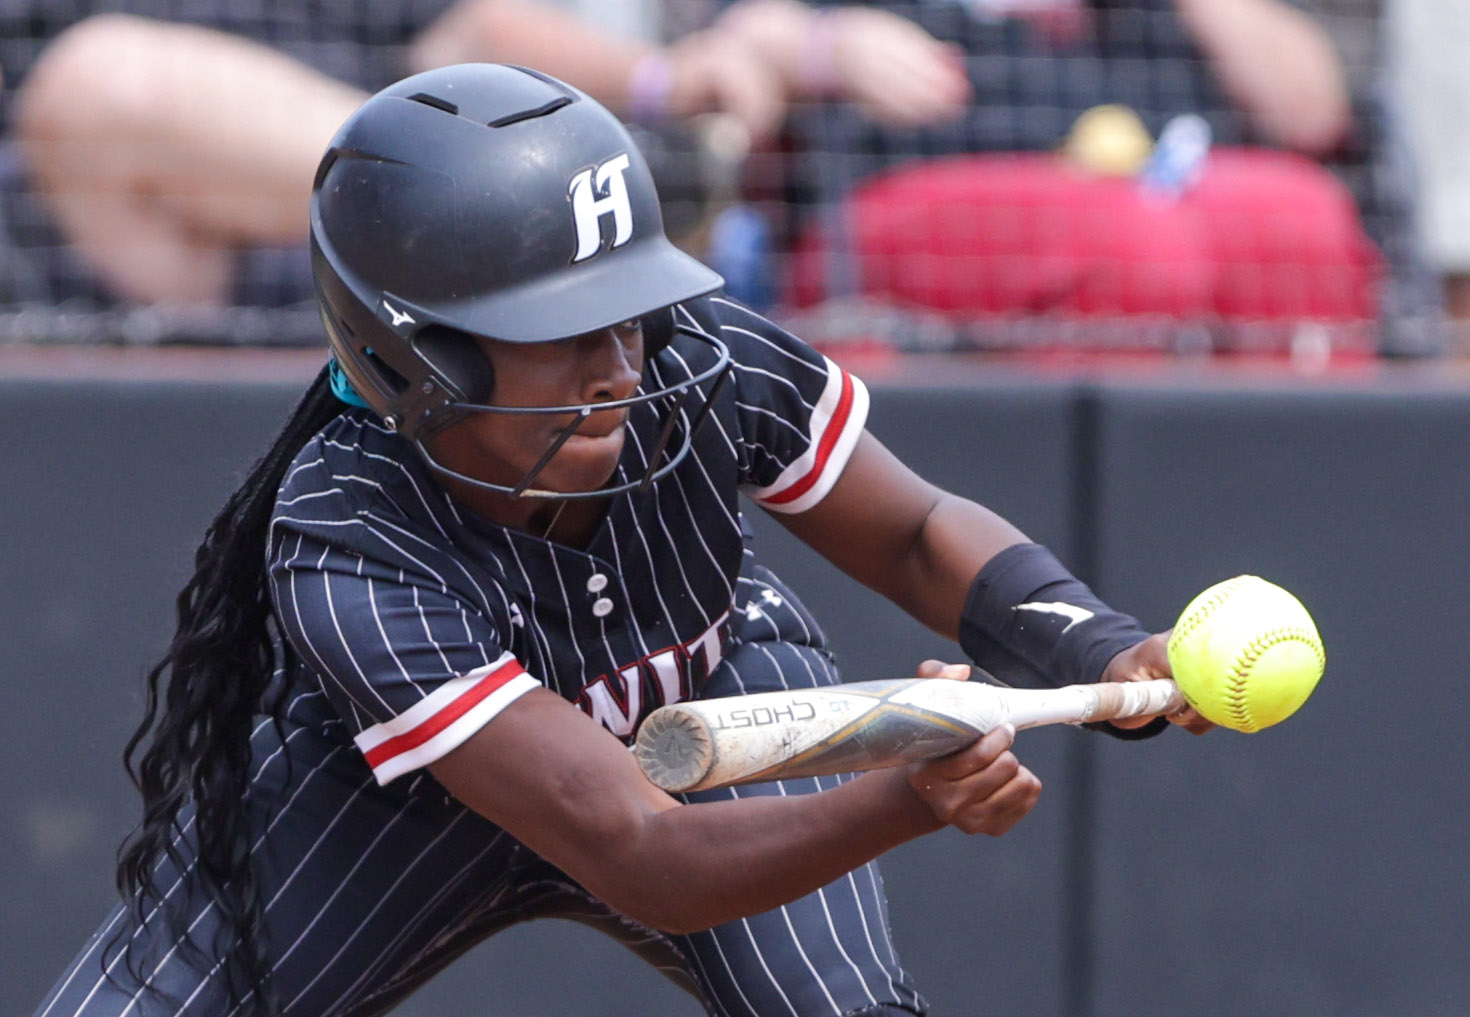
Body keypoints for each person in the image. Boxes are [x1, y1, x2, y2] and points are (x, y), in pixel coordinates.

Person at [31, 64, 1207, 1017]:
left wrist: (1100, 647)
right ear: (413, 360)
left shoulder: (699, 359)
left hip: (721, 696)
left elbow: (913, 534)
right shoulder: (348, 543)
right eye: (559, 330)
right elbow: (639, 854)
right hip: (393, 799)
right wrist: (911, 794)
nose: (616, 365)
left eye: (626, 310)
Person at [7, 0, 967, 313]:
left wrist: (658, 85)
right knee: (101, 80)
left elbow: (458, 28)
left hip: (428, 279)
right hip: (123, 270)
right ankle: (553, 203)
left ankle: (561, 200)